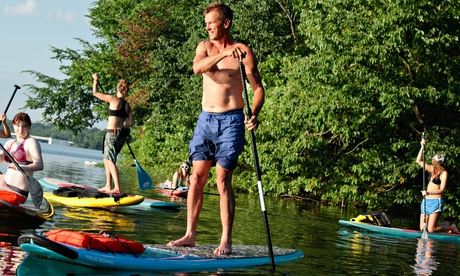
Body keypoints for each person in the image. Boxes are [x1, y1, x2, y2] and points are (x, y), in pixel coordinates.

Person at [168, 2, 265, 255]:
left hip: (232, 121)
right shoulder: (204, 47)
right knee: (196, 177)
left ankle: (226, 240)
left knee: (222, 181)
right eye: (206, 23)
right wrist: (223, 54)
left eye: (212, 22)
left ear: (226, 23)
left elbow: (257, 89)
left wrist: (253, 114)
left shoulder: (244, 52)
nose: (207, 27)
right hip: (205, 120)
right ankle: (189, 234)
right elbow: (197, 68)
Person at [92, 73, 133, 194]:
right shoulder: (127, 106)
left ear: (117, 88)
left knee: (110, 160)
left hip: (111, 134)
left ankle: (117, 188)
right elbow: (129, 123)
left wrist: (95, 80)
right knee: (106, 159)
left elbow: (95, 93)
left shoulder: (113, 99)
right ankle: (107, 185)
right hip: (120, 136)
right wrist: (121, 126)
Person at [416, 138, 459, 234]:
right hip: (426, 201)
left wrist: (428, 192)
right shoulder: (431, 169)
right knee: (423, 229)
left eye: (434, 160)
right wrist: (422, 147)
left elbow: (442, 190)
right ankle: (445, 226)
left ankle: (450, 227)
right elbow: (418, 161)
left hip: (436, 201)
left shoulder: (444, 173)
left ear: (438, 162)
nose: (432, 161)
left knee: (431, 229)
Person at [0, 112, 43, 205]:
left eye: (24, 126)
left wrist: (21, 167)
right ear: (13, 126)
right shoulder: (10, 143)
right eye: (18, 125)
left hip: (17, 192)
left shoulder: (31, 142)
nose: (20, 129)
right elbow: (0, 160)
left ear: (29, 127)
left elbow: (39, 165)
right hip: (3, 186)